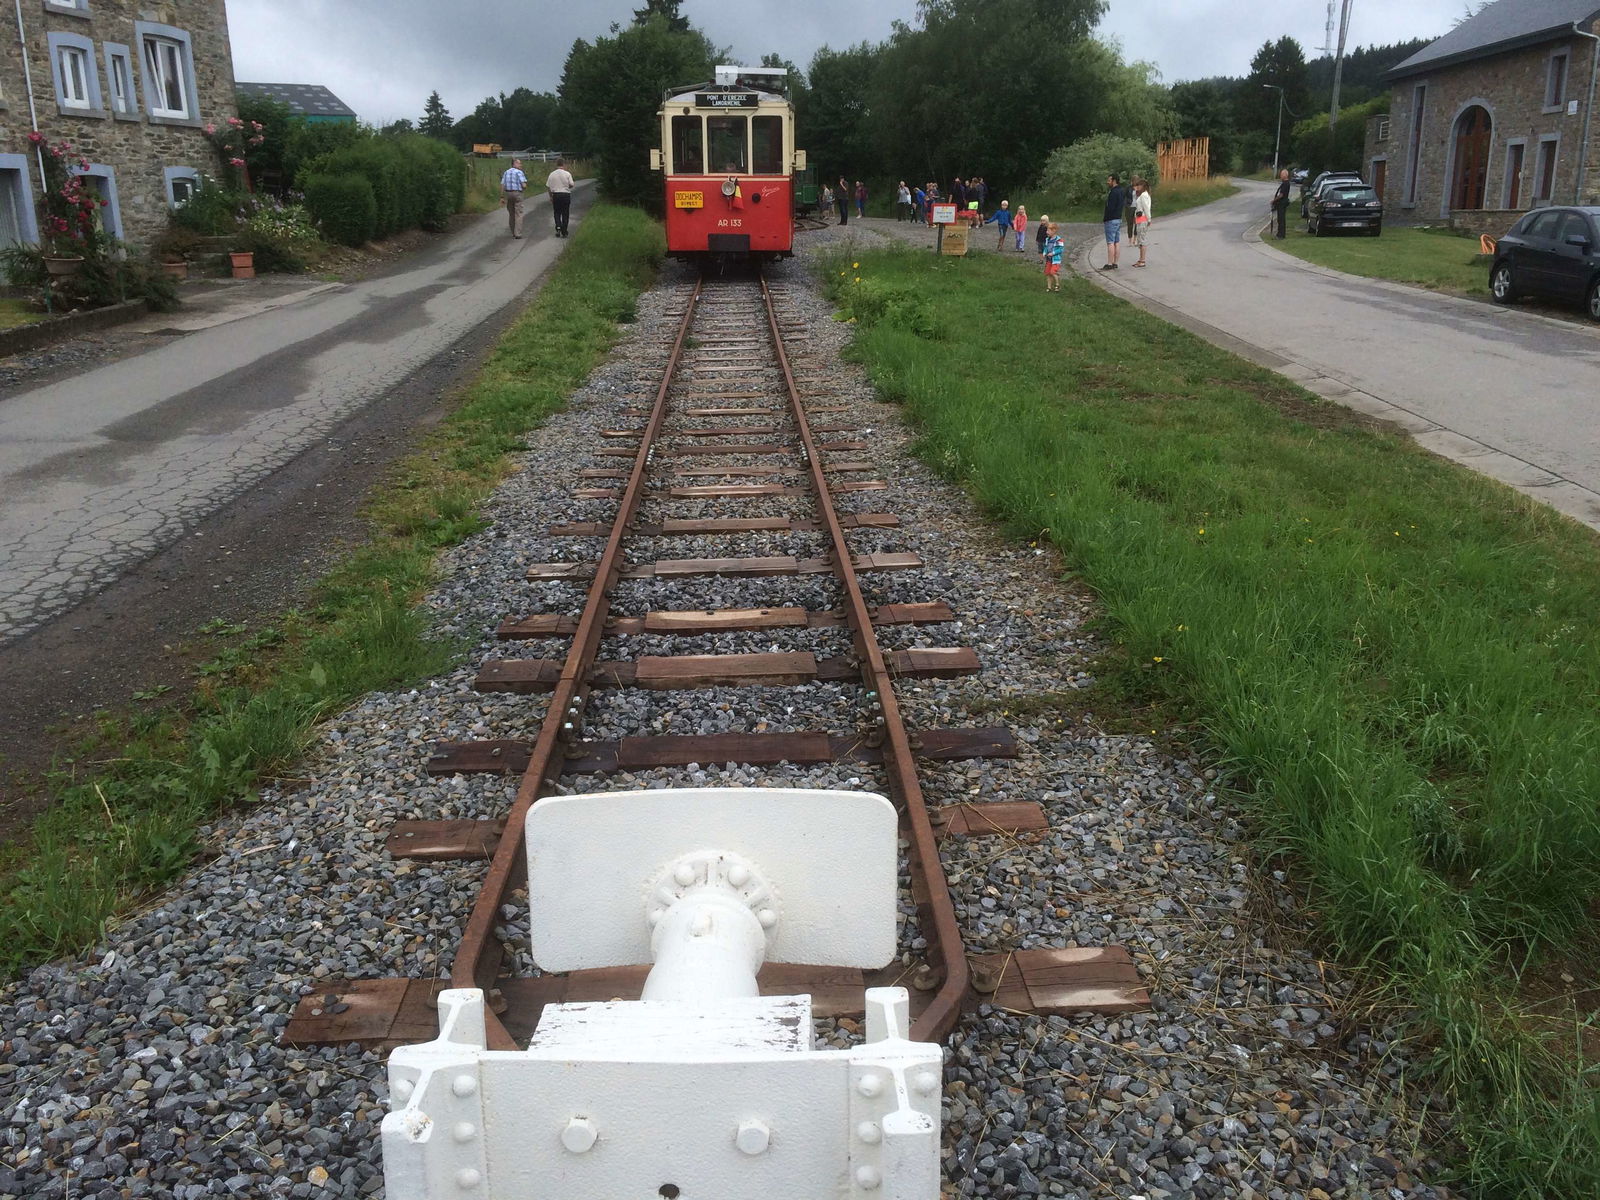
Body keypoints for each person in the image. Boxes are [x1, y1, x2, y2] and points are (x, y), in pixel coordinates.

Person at [1100, 173, 1128, 269]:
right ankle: (1115, 262)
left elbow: (1110, 207)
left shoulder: (1113, 192)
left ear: (1114, 181)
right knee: (1117, 241)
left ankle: (1109, 263)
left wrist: (1106, 218)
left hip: (1111, 219)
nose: (1108, 182)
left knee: (1110, 242)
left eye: (1109, 180)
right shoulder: (1122, 191)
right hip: (1118, 218)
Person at [547, 158, 575, 238]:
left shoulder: (552, 174)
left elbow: (548, 186)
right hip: (565, 194)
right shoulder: (567, 174)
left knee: (557, 212)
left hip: (556, 195)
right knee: (565, 213)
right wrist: (567, 186)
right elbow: (572, 184)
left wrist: (551, 196)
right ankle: (564, 231)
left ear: (557, 164)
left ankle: (558, 227)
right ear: (564, 164)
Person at [500, 157, 527, 239]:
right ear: (514, 163)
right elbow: (523, 185)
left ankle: (513, 232)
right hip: (517, 193)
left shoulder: (506, 172)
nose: (520, 165)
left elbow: (502, 185)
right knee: (518, 213)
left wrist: (502, 196)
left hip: (508, 193)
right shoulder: (519, 172)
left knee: (511, 214)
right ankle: (518, 233)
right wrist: (525, 187)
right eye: (519, 163)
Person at [1130, 178, 1151, 266]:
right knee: (1140, 239)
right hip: (1140, 218)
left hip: (1143, 219)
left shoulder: (1144, 196)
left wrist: (1149, 219)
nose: (1137, 187)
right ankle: (1140, 259)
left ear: (1143, 186)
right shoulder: (1141, 195)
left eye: (1139, 185)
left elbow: (1146, 208)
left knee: (1142, 239)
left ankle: (1142, 260)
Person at [1042, 222, 1064, 292]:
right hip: (1049, 259)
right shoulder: (1047, 239)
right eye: (1047, 230)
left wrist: (1053, 253)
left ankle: (1057, 285)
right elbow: (1045, 247)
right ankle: (1049, 287)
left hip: (1056, 260)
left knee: (1053, 272)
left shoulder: (1058, 240)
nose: (1046, 232)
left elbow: (1061, 249)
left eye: (1048, 230)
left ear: (1054, 231)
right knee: (1047, 273)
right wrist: (1044, 252)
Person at [1270, 168, 1292, 239]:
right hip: (1280, 204)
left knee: (1281, 219)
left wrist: (1274, 200)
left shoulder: (1286, 184)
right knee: (1279, 219)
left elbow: (1281, 195)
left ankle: (1281, 235)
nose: (1280, 176)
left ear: (1285, 175)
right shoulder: (1283, 183)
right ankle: (1279, 233)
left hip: (1282, 203)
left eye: (1281, 175)